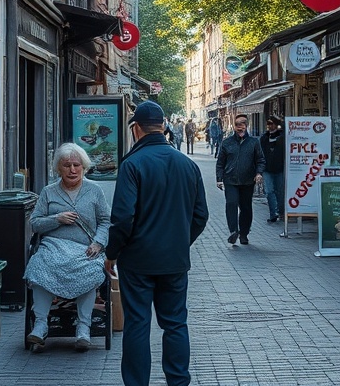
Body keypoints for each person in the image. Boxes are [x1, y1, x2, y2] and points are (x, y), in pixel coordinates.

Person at [104, 101, 208, 386]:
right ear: (163, 126)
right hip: (174, 260)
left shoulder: (132, 164)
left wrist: (112, 252)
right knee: (175, 323)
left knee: (138, 323)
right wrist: (179, 242)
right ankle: (178, 381)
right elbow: (201, 216)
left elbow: (123, 218)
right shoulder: (187, 164)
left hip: (137, 261)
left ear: (136, 129)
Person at [25, 143, 110, 352]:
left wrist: (98, 243)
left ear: (84, 167)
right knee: (39, 264)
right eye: (66, 165)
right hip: (53, 246)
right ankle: (41, 324)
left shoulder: (94, 190)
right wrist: (57, 219)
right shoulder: (49, 192)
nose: (72, 170)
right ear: (58, 168)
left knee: (90, 268)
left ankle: (83, 328)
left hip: (85, 247)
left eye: (76, 165)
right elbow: (35, 223)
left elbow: (106, 221)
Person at [215, 114, 265, 245]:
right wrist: (219, 178)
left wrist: (259, 173)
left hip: (248, 181)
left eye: (242, 124)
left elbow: (260, 160)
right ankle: (233, 231)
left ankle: (244, 233)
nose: (240, 127)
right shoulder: (227, 143)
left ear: (246, 125)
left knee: (246, 208)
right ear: (234, 126)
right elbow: (220, 163)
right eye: (237, 125)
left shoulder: (254, 142)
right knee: (231, 204)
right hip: (230, 180)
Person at [259, 115, 286, 223]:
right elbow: (260, 154)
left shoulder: (282, 137)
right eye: (268, 124)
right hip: (267, 170)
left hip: (280, 168)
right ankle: (273, 214)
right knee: (269, 191)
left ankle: (281, 212)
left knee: (280, 191)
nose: (269, 126)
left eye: (271, 123)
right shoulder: (264, 138)